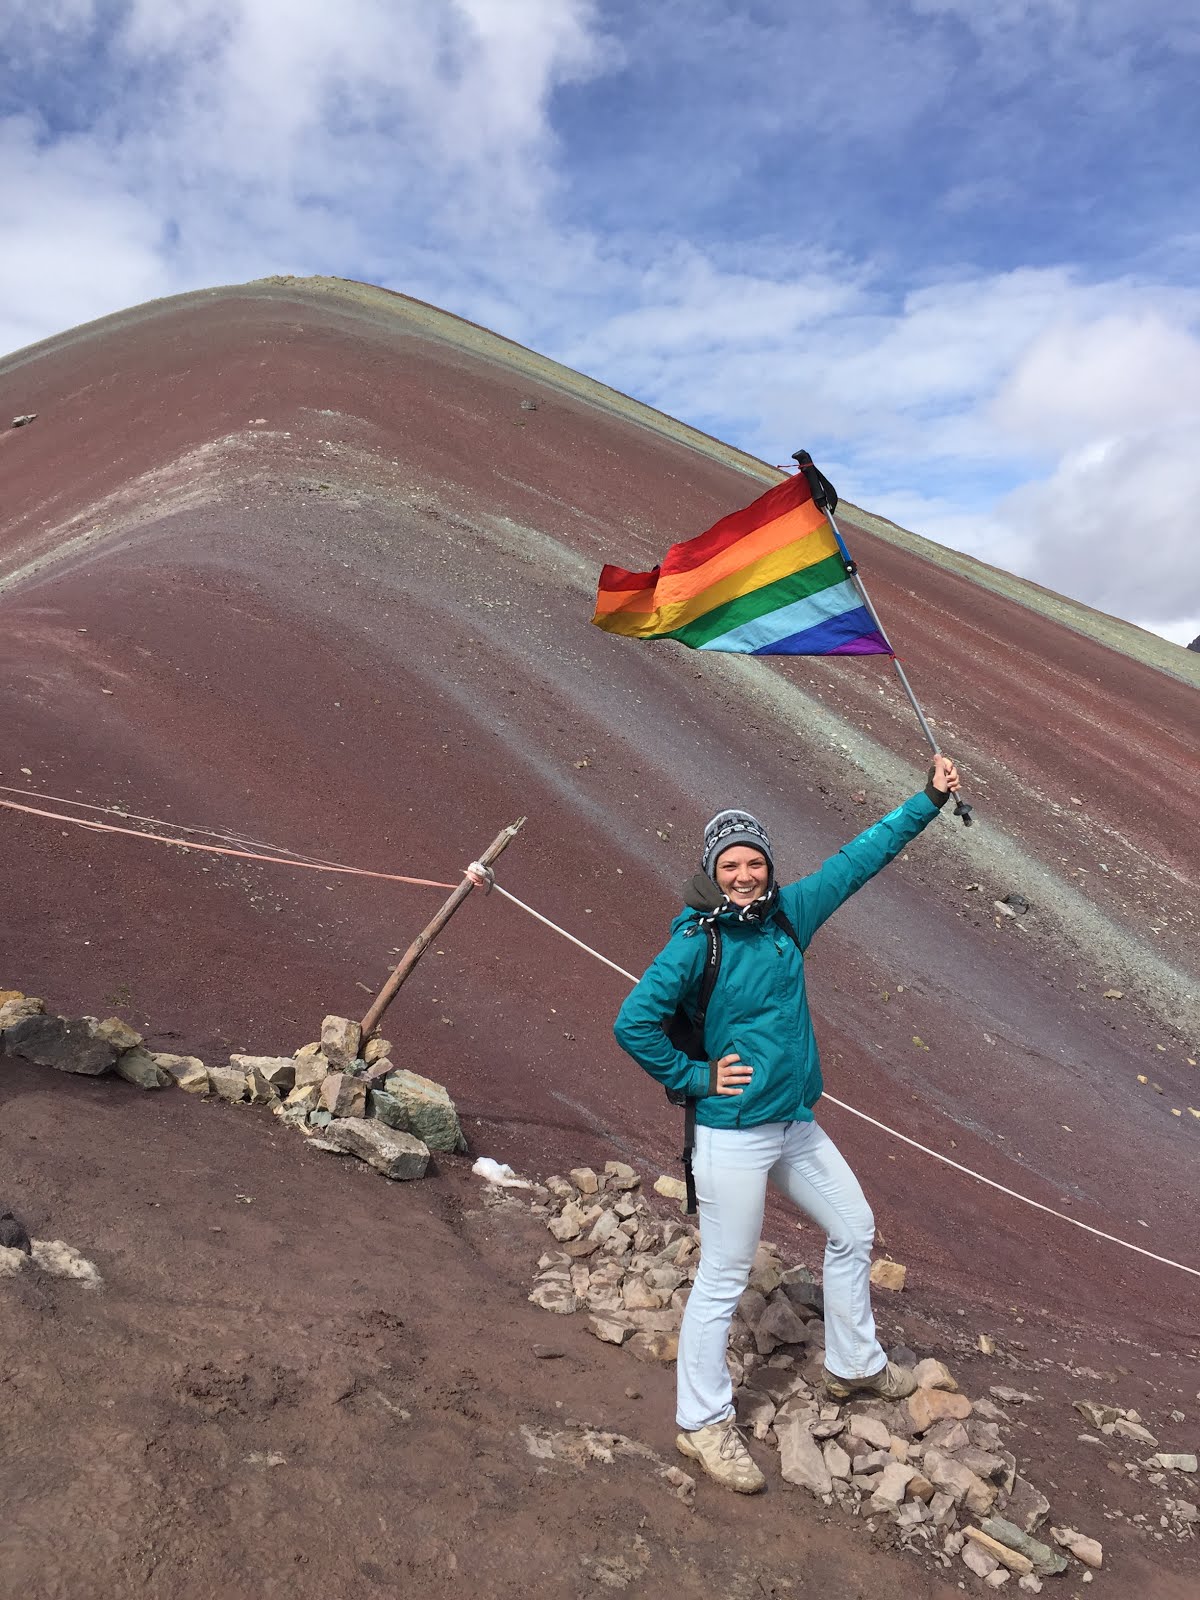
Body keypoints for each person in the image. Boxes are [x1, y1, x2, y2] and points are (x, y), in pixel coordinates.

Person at [613, 755, 962, 1494]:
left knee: (854, 1228)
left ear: (770, 867)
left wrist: (928, 799)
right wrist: (697, 1077)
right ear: (712, 871)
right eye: (731, 864)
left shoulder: (787, 917)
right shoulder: (695, 942)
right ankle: (703, 1425)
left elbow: (858, 859)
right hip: (732, 1133)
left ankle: (854, 1367)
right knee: (723, 1278)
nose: (745, 874)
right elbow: (634, 1021)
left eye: (755, 862)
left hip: (793, 1122)